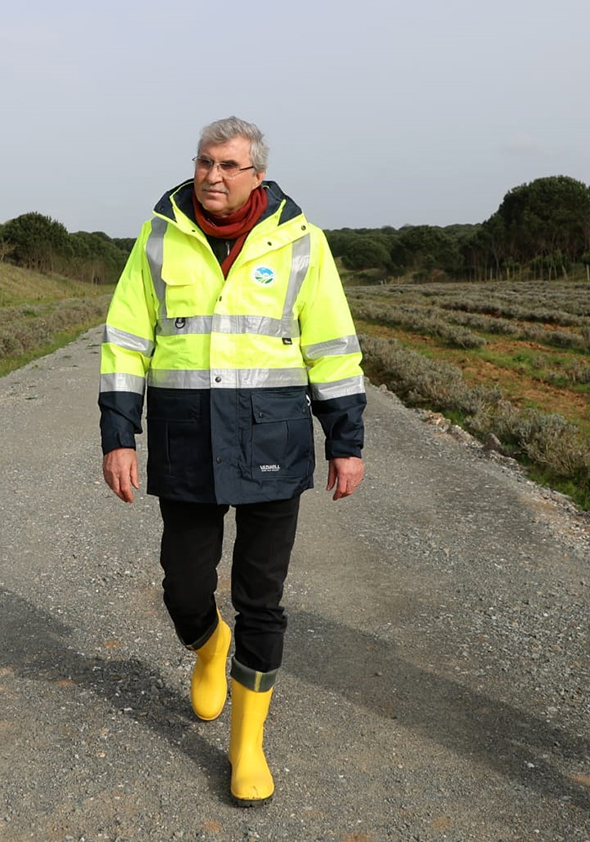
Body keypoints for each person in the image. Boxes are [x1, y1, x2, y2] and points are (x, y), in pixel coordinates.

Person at [98, 116, 365, 806]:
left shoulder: (303, 242)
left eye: (228, 165)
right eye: (204, 161)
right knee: (185, 588)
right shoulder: (159, 238)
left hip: (271, 442)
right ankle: (207, 644)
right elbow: (126, 341)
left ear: (256, 174)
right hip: (186, 438)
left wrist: (346, 439)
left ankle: (246, 748)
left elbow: (332, 345)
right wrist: (118, 434)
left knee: (261, 599)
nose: (212, 175)